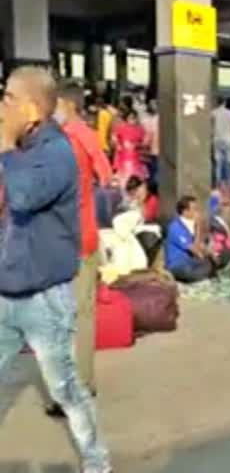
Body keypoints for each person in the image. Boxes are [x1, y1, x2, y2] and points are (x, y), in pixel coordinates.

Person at [0, 67, 112, 472]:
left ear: (32, 109)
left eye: (8, 98)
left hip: (47, 292)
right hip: (8, 286)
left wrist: (5, 147)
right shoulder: (23, 147)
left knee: (66, 387)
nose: (1, 106)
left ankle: (97, 462)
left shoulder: (58, 150)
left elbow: (25, 195)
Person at [40, 82, 114, 418]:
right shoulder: (87, 136)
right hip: (85, 237)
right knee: (82, 314)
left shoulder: (61, 140)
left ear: (64, 106)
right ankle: (83, 383)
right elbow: (106, 175)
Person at [165, 196, 217, 283]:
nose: (197, 212)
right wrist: (198, 227)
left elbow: (200, 246)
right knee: (204, 266)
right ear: (185, 212)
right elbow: (195, 250)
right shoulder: (175, 227)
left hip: (190, 262)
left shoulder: (188, 225)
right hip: (178, 265)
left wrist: (211, 253)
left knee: (211, 262)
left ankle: (204, 275)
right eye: (194, 209)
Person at [112, 106, 147, 186]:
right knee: (124, 179)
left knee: (135, 178)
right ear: (127, 118)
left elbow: (144, 142)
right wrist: (118, 145)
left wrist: (137, 145)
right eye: (131, 118)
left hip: (136, 158)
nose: (133, 120)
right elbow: (114, 137)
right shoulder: (121, 127)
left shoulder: (140, 129)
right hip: (124, 157)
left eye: (135, 118)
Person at [212, 98, 230, 190]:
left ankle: (218, 184)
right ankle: (228, 183)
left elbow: (210, 126)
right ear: (225, 103)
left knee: (218, 162)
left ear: (217, 102)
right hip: (227, 139)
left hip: (216, 139)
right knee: (228, 162)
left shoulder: (213, 113)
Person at [141, 99, 159, 185]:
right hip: (154, 150)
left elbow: (148, 136)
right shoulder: (159, 119)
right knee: (154, 171)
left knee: (151, 171)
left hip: (150, 150)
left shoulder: (146, 120)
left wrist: (144, 145)